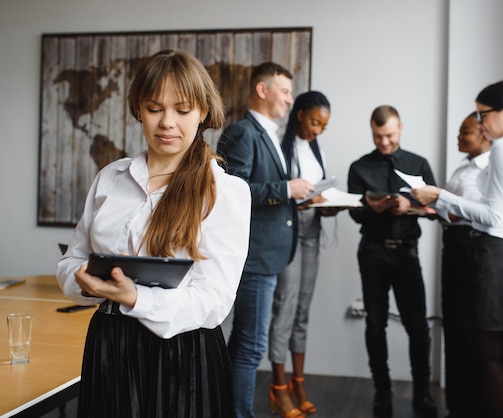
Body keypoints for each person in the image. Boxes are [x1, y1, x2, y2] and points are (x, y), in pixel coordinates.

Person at [56, 49, 251, 417]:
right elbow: (72, 261)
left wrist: (136, 298)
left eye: (182, 109)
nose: (167, 123)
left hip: (182, 356)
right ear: (138, 111)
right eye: (154, 108)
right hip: (108, 345)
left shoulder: (225, 191)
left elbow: (214, 301)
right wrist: (86, 283)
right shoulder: (110, 178)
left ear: (203, 112)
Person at [413, 80, 503, 418]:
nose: (480, 121)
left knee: (489, 357)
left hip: (497, 255)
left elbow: (491, 215)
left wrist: (439, 195)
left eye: (482, 114)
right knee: (498, 355)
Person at [217, 62, 315, 418]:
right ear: (263, 90)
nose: (290, 100)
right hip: (255, 256)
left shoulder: (270, 133)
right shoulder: (243, 132)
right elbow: (233, 191)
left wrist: (294, 194)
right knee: (249, 346)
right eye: (285, 91)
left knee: (245, 342)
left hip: (270, 254)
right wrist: (287, 189)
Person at [347, 105, 438, 418]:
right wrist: (377, 207)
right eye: (377, 135)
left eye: (388, 135)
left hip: (406, 253)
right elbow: (354, 209)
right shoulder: (359, 166)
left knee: (419, 328)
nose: (383, 141)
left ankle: (423, 395)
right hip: (372, 252)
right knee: (375, 325)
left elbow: (433, 208)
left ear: (400, 129)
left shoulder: (419, 163)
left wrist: (408, 205)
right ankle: (382, 394)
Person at [267, 91, 339, 417]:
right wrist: (300, 201)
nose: (317, 131)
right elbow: (275, 195)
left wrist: (329, 205)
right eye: (314, 122)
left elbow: (318, 187)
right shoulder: (280, 151)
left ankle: (298, 382)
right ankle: (278, 387)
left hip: (312, 232)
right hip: (289, 233)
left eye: (323, 126)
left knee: (303, 312)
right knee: (285, 308)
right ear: (299, 115)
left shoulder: (314, 149)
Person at [435, 112, 491, 418]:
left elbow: (479, 212)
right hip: (453, 247)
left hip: (471, 248)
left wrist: (443, 204)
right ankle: (456, 406)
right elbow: (448, 210)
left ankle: (472, 406)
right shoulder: (462, 167)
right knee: (452, 326)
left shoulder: (489, 168)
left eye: (465, 132)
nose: (459, 138)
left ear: (484, 133)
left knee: (470, 331)